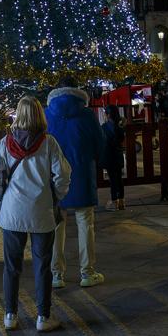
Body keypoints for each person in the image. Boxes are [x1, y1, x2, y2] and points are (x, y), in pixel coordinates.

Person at [0, 95, 70, 333]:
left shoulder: (5, 143)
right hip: (41, 211)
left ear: (18, 115)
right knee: (43, 265)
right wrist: (56, 196)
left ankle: (10, 315)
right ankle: (43, 316)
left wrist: (2, 198)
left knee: (11, 266)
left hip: (13, 212)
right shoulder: (49, 143)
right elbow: (63, 175)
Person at [45, 76, 106, 287]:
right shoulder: (87, 114)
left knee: (56, 225)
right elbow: (100, 143)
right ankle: (87, 272)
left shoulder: (47, 114)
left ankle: (56, 275)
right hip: (82, 173)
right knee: (86, 223)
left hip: (54, 176)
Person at [101, 105, 126, 212]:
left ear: (108, 115)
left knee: (112, 179)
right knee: (119, 178)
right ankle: (121, 201)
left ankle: (114, 200)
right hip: (118, 155)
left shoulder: (104, 127)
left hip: (109, 155)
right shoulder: (120, 127)